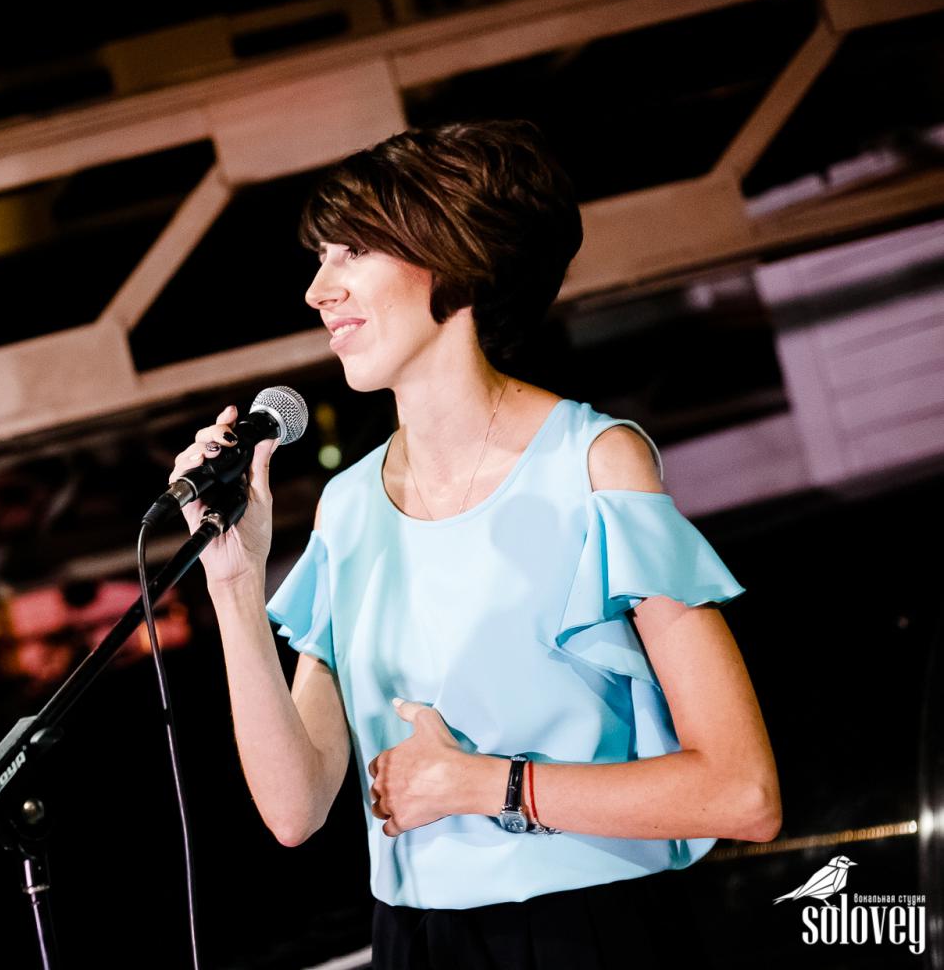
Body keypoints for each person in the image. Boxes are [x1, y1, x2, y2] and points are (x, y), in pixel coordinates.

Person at [166, 120, 781, 969]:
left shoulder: (592, 464)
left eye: (351, 253)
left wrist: (487, 784)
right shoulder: (349, 507)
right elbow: (294, 809)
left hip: (586, 935)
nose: (317, 291)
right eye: (320, 259)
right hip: (415, 941)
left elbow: (742, 792)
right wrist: (235, 586)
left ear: (448, 257)